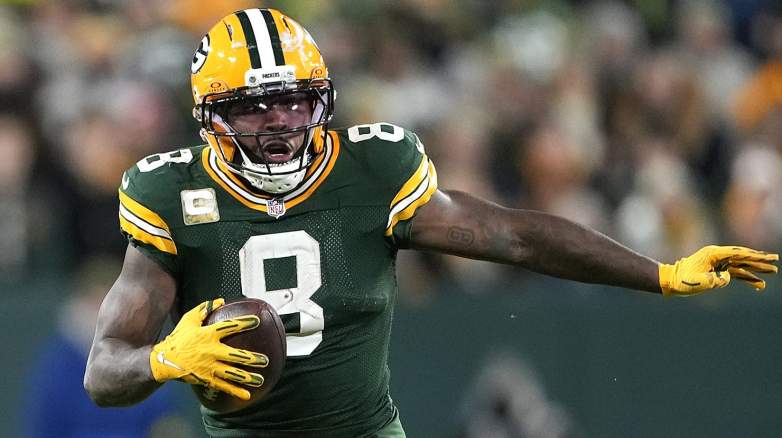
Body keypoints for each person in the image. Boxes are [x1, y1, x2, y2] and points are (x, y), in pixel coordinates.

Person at [83, 8, 778, 438]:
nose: (284, 122)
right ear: (211, 116)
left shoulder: (373, 168)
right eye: (258, 108)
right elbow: (104, 371)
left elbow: (511, 234)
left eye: (297, 102)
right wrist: (164, 358)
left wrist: (659, 271)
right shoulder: (170, 191)